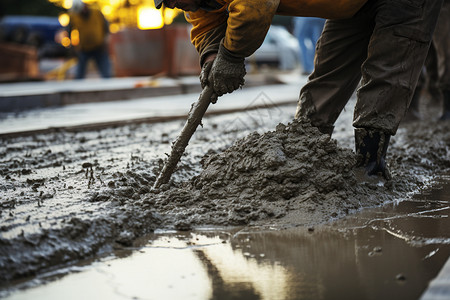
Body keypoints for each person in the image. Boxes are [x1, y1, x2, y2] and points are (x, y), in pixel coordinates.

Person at [154, 0, 443, 180]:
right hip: (348, 4)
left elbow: (256, 7)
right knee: (328, 72)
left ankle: (371, 166)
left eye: (174, 0)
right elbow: (204, 24)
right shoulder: (195, 3)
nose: (176, 7)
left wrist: (230, 56)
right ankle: (306, 153)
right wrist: (210, 57)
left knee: (387, 70)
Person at [69, 0, 111, 79]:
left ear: (85, 6)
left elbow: (106, 27)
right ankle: (77, 89)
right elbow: (70, 30)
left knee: (106, 73)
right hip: (84, 48)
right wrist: (72, 47)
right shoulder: (74, 16)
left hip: (99, 47)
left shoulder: (97, 13)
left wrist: (106, 41)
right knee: (79, 74)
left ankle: (109, 87)